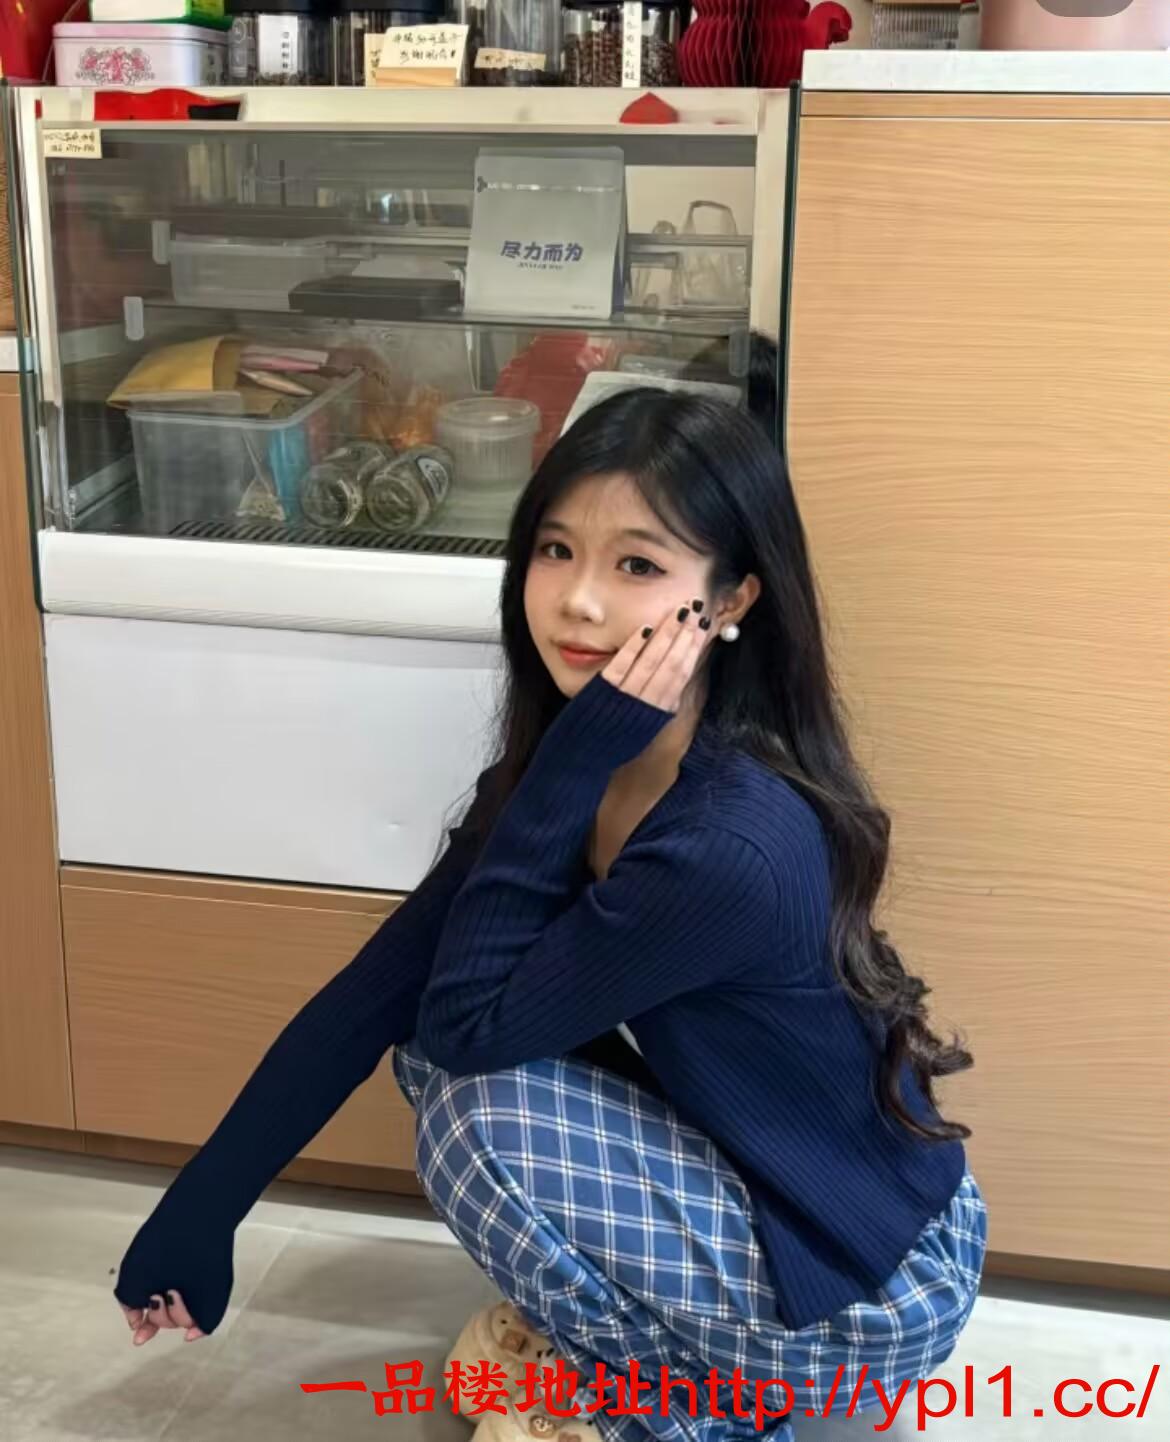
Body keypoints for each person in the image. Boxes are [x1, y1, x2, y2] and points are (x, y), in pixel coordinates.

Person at [114, 389, 986, 1442]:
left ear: (731, 599)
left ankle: (689, 1414)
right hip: (793, 1195)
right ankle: (672, 1352)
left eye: (637, 565)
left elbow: (469, 1028)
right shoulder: (585, 762)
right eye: (555, 549)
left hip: (871, 1283)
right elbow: (381, 990)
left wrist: (573, 762)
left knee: (478, 1106)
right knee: (439, 1047)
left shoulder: (724, 842)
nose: (576, 601)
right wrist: (202, 1211)